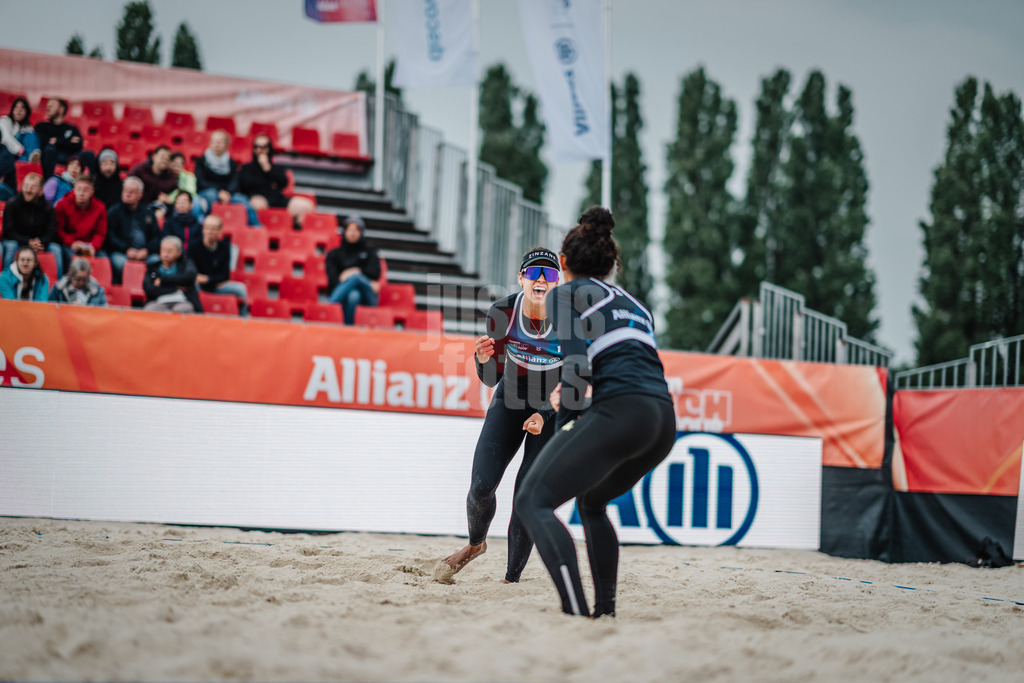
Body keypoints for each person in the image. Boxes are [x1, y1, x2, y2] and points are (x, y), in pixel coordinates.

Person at [514, 207, 676, 619]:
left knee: (533, 501)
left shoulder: (565, 294)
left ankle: (575, 613)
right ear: (611, 265)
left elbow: (575, 369)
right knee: (591, 503)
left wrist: (565, 419)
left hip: (622, 411)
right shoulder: (638, 305)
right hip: (661, 420)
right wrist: (579, 407)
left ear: (562, 263)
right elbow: (621, 370)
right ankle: (605, 612)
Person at [435, 248, 563, 584]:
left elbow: (576, 385)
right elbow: (491, 379)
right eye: (534, 272)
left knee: (526, 498)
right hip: (509, 400)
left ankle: (511, 579)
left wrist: (545, 415)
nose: (541, 279)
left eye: (549, 275)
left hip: (550, 408)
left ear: (557, 284)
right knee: (480, 488)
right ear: (521, 278)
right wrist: (482, 359)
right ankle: (476, 544)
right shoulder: (502, 312)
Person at [238, 134, 314, 226]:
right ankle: (260, 232)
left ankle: (295, 235)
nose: (260, 150)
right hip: (258, 198)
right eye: (257, 147)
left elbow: (283, 184)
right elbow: (245, 186)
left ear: (269, 149)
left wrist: (267, 168)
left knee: (306, 205)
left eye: (263, 147)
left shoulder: (277, 168)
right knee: (256, 204)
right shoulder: (246, 168)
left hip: (277, 198)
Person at [193, 130, 258, 226]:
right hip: (208, 192)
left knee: (243, 200)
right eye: (214, 141)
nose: (217, 144)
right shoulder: (201, 161)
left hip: (228, 194)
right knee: (212, 195)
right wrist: (219, 192)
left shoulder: (231, 163)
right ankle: (207, 226)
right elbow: (201, 181)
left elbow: (235, 182)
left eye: (220, 141)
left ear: (226, 145)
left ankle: (257, 228)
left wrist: (227, 193)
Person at [1, 172, 61, 276]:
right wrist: (28, 242)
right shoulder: (12, 204)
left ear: (41, 191)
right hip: (18, 241)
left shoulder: (48, 208)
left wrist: (40, 242)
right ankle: (6, 279)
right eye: (26, 186)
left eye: (33, 187)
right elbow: (9, 231)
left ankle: (57, 284)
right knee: (11, 246)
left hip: (40, 244)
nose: (28, 190)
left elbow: (51, 232)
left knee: (55, 248)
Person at [325, 215, 381, 324]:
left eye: (356, 230)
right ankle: (349, 328)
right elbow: (333, 279)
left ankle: (329, 306)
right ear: (344, 232)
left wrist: (356, 272)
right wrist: (360, 279)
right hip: (344, 294)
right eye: (350, 230)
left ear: (361, 233)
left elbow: (375, 273)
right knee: (354, 295)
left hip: (368, 296)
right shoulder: (334, 254)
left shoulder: (370, 253)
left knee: (355, 277)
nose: (353, 233)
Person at [104, 176, 161, 282]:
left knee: (157, 261)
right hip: (122, 253)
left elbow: (157, 236)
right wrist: (126, 249)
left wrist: (147, 250)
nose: (127, 194)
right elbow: (110, 236)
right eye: (125, 190)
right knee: (120, 264)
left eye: (132, 192)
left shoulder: (148, 212)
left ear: (140, 195)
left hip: (145, 254)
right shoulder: (114, 211)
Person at [187, 214, 247, 310]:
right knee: (191, 288)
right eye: (207, 228)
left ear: (220, 231)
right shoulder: (193, 247)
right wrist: (203, 279)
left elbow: (225, 275)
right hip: (199, 286)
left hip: (217, 286)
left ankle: (243, 319)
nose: (210, 231)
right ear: (203, 229)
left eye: (213, 228)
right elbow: (191, 273)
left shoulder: (225, 247)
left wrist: (208, 279)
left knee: (241, 289)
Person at [34, 98, 93, 179]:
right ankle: (48, 182)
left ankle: (91, 184)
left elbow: (79, 145)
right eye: (48, 106)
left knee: (89, 154)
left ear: (61, 109)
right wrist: (68, 141)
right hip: (54, 156)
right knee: (49, 150)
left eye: (52, 105)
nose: (48, 108)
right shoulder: (41, 126)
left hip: (71, 157)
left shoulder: (72, 128)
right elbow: (45, 143)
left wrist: (57, 141)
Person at [55, 175, 107, 265]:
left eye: (86, 190)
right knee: (74, 261)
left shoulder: (100, 208)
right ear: (74, 189)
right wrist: (71, 242)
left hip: (90, 245)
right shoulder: (62, 204)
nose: (81, 193)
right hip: (70, 245)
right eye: (79, 189)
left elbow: (100, 232)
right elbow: (59, 230)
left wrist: (93, 246)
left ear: (92, 192)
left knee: (104, 260)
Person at [143, 235, 202, 313]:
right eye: (163, 250)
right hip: (158, 301)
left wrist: (163, 281)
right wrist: (175, 288)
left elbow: (188, 277)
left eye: (170, 251)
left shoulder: (185, 264)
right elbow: (150, 288)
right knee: (151, 309)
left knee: (182, 310)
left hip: (183, 301)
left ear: (179, 253)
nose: (166, 254)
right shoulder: (153, 269)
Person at [0, 97, 41, 197]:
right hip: (9, 150)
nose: (19, 111)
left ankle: (31, 157)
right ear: (12, 110)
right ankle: (28, 158)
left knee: (31, 135)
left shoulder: (27, 127)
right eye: (16, 108)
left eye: (22, 108)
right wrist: (21, 150)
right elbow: (7, 139)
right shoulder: (4, 121)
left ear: (27, 112)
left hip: (18, 156)